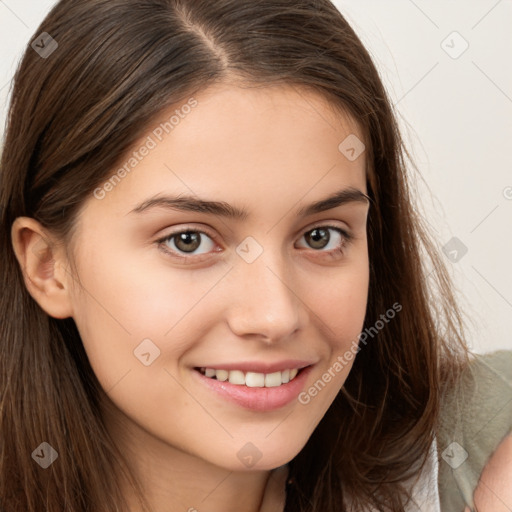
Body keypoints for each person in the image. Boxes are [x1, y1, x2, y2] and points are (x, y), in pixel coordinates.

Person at [0, 1, 510, 511]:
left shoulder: (483, 455)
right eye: (188, 240)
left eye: (320, 236)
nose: (275, 316)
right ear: (48, 267)